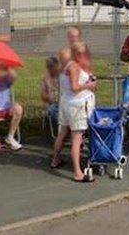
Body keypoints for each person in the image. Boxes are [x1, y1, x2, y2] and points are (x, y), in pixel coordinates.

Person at [52, 41, 97, 182]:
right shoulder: (74, 67)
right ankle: (77, 172)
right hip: (76, 105)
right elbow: (75, 87)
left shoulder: (66, 66)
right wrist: (89, 85)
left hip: (67, 102)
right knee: (77, 138)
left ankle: (55, 159)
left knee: (63, 132)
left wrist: (89, 78)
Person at [40, 56, 61, 124]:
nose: (51, 69)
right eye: (49, 67)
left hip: (65, 103)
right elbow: (43, 96)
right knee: (53, 111)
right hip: (53, 105)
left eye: (53, 67)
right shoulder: (45, 79)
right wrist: (49, 97)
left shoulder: (63, 76)